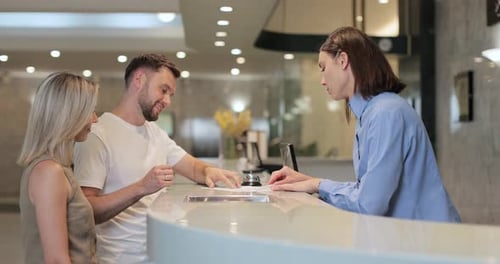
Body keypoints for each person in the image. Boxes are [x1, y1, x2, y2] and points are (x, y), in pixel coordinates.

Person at [268, 26, 461, 223]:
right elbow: (368, 191)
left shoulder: (386, 113)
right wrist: (309, 182)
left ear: (343, 60)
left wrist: (318, 184)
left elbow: (370, 204)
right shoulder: (371, 113)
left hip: (432, 242)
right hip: (414, 239)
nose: (322, 81)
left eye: (323, 67)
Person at [73, 53, 242, 263]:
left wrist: (209, 171)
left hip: (159, 252)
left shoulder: (155, 133)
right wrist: (141, 187)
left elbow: (193, 168)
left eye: (171, 94)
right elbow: (86, 211)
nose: (168, 101)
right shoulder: (98, 135)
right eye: (163, 90)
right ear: (139, 80)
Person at [18, 72, 99, 263]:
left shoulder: (57, 168)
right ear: (71, 115)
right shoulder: (49, 172)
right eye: (90, 111)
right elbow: (56, 259)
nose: (95, 119)